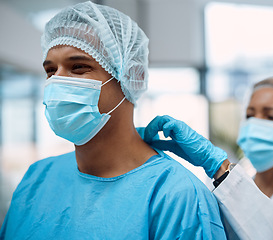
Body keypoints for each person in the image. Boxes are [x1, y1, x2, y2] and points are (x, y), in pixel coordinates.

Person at [0, 2, 227, 239]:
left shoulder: (175, 195)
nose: (57, 82)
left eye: (78, 67)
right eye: (50, 70)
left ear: (131, 76)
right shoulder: (37, 178)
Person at [144, 76, 273, 239]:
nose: (255, 125)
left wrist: (219, 167)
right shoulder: (220, 198)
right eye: (250, 115)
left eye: (271, 116)